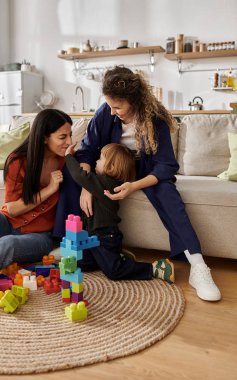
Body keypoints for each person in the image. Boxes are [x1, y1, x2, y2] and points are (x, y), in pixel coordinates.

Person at [54, 66, 221, 302]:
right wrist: (87, 187)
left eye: (118, 107)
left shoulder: (156, 118)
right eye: (110, 106)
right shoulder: (105, 113)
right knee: (70, 177)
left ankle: (198, 266)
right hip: (111, 170)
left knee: (167, 193)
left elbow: (165, 166)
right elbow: (88, 151)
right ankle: (67, 243)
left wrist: (134, 186)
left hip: (145, 172)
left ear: (132, 100)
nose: (112, 112)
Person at [0, 108, 75, 280]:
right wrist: (49, 189)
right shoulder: (18, 161)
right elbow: (12, 210)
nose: (69, 141)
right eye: (63, 137)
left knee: (7, 245)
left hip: (40, 238)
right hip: (7, 224)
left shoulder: (67, 162)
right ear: (44, 138)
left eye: (70, 135)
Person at [65, 142, 174, 282]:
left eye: (100, 159)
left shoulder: (106, 183)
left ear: (111, 167)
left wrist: (68, 156)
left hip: (104, 237)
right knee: (81, 264)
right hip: (92, 236)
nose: (96, 162)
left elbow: (80, 176)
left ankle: (154, 268)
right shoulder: (102, 182)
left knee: (114, 271)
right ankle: (117, 257)